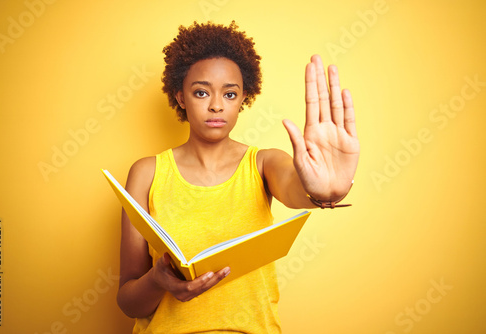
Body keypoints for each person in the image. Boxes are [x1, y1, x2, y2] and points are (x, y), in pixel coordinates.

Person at [116, 21, 359, 333]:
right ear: (180, 97)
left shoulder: (264, 163)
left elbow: (295, 187)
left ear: (244, 98)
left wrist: (325, 191)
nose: (216, 105)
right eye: (201, 92)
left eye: (230, 94)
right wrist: (157, 280)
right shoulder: (146, 173)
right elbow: (128, 302)